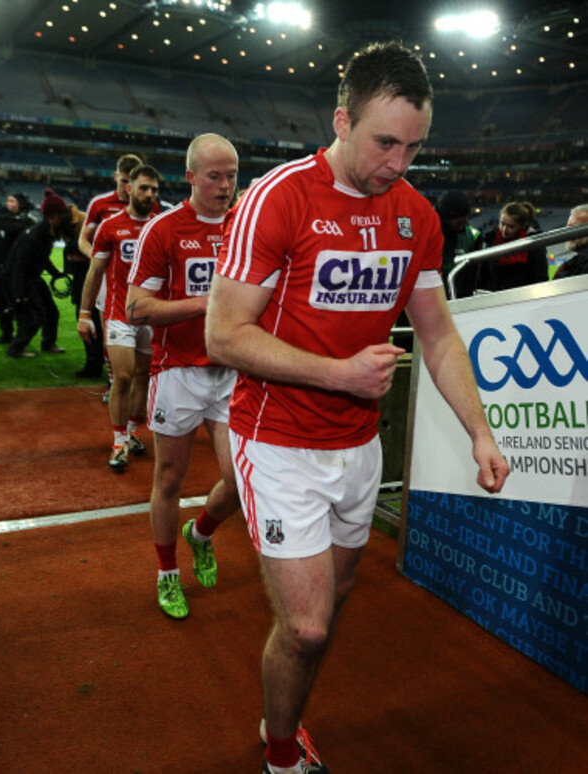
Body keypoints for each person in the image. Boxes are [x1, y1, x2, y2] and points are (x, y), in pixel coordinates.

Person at [205, 41, 510, 774]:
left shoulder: (416, 217)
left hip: (357, 449)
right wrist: (340, 373)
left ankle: (289, 718)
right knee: (308, 627)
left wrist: (480, 430)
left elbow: (437, 335)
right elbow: (223, 333)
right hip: (275, 440)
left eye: (414, 146)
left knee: (335, 597)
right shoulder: (278, 197)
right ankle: (281, 750)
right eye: (384, 142)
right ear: (342, 120)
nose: (399, 163)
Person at [125, 133, 241, 620]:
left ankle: (202, 533)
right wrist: (206, 304)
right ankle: (167, 572)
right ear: (190, 177)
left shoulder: (247, 225)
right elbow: (135, 307)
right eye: (214, 176)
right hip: (177, 372)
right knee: (169, 478)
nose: (224, 185)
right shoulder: (164, 229)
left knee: (239, 480)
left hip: (234, 369)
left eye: (232, 175)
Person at [77, 164, 160, 472]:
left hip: (151, 315)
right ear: (129, 189)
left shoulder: (161, 225)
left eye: (153, 189)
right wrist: (85, 313)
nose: (149, 194)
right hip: (119, 314)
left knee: (143, 377)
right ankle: (118, 441)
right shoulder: (110, 226)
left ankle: (134, 432)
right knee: (123, 376)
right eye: (143, 188)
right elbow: (95, 272)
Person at [76, 154, 144, 381]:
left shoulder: (149, 205)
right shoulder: (100, 204)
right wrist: (100, 259)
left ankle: (140, 386)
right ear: (116, 177)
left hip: (140, 280)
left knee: (144, 334)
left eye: (131, 182)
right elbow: (83, 240)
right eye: (123, 180)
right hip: (109, 279)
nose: (127, 187)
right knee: (112, 332)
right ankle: (113, 382)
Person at [5, 190, 69, 359]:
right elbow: (18, 267)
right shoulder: (35, 237)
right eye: (61, 215)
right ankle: (16, 349)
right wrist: (19, 296)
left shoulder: (45, 233)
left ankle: (48, 343)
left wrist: (56, 274)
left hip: (32, 277)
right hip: (24, 279)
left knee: (51, 312)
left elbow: (41, 258)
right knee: (35, 315)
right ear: (53, 216)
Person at [0, 192, 35, 344]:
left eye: (12, 201)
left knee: (15, 304)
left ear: (20, 204)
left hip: (12, 273)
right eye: (8, 200)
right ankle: (6, 334)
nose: (8, 203)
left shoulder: (26, 223)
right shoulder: (2, 220)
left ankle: (20, 338)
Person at [475, 200, 548, 292]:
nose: (504, 230)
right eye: (502, 224)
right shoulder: (490, 242)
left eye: (511, 227)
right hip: (493, 300)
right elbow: (481, 278)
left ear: (523, 226)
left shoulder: (534, 245)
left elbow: (541, 279)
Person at [436, 189, 482, 298]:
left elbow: (473, 277)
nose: (464, 222)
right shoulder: (427, 233)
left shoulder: (473, 237)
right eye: (459, 219)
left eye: (465, 217)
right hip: (432, 301)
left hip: (461, 302)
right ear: (446, 217)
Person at [554, 204, 588, 279]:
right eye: (568, 227)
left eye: (572, 228)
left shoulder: (583, 261)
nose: (568, 233)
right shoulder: (579, 259)